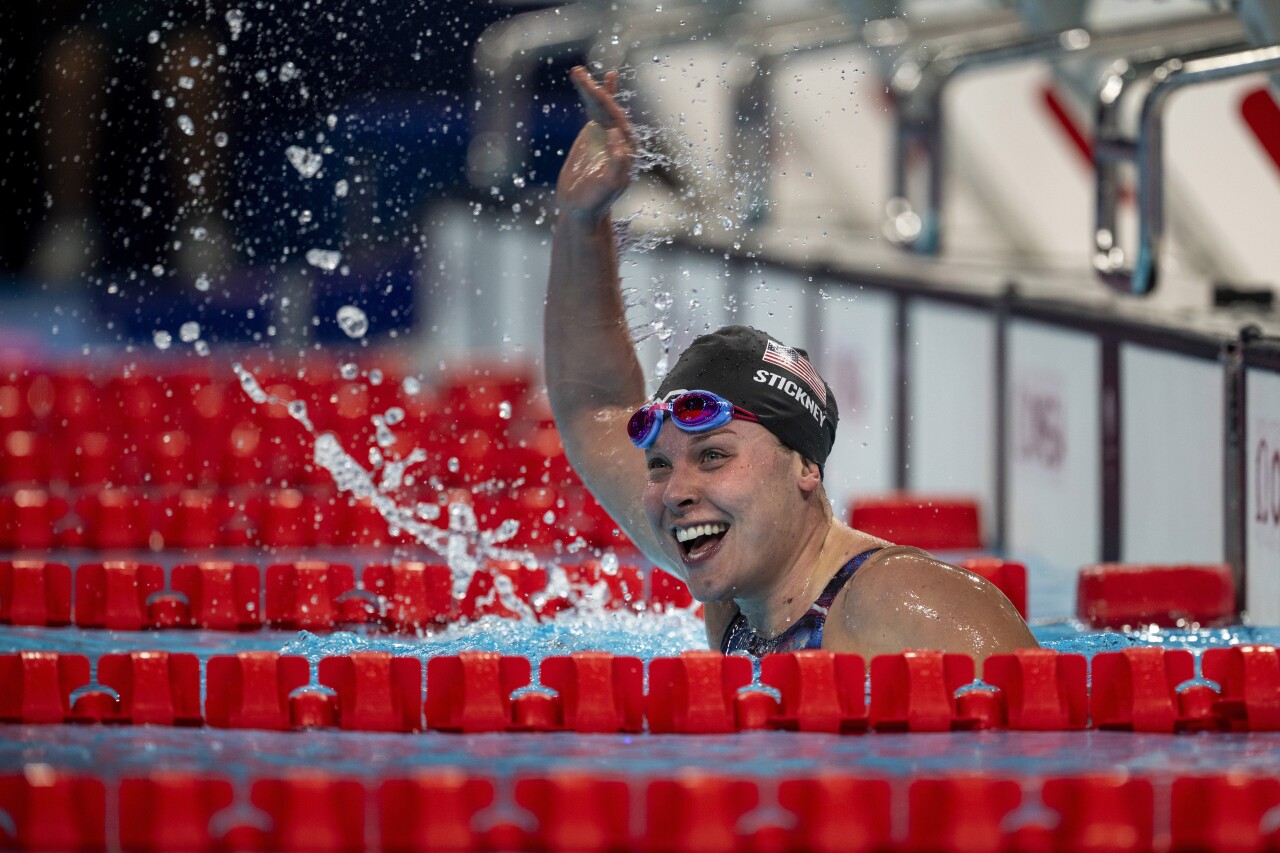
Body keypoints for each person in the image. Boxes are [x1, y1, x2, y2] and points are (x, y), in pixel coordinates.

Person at [544, 66, 1037, 662]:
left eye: (713, 455)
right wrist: (580, 221)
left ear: (805, 467)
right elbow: (593, 407)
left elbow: (1050, 726)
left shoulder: (899, 600)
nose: (675, 492)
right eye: (658, 466)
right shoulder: (733, 575)